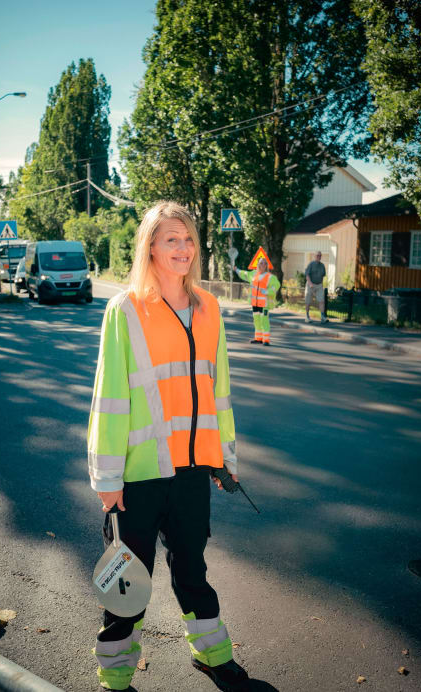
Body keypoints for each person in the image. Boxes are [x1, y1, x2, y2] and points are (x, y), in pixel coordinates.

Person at [88, 201, 249, 691]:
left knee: (193, 572)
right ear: (150, 247)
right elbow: (110, 396)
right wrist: (107, 479)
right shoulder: (126, 309)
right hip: (138, 476)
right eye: (170, 239)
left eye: (188, 239)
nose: (182, 248)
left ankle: (214, 654)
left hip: (192, 473)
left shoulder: (209, 306)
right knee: (127, 582)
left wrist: (225, 458)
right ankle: (115, 677)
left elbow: (218, 388)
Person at [234, 257, 280, 345]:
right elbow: (245, 274)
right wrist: (237, 270)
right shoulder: (253, 274)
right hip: (254, 303)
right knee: (257, 321)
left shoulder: (270, 277)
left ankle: (266, 340)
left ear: (266, 265)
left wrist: (267, 291)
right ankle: (258, 338)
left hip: (264, 304)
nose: (262, 265)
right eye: (261, 263)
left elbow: (276, 286)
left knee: (264, 321)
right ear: (257, 265)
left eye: (264, 263)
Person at [304, 251, 328, 323]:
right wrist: (310, 284)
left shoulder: (322, 266)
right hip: (310, 284)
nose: (319, 257)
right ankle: (307, 317)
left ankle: (323, 317)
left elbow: (322, 276)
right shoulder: (311, 264)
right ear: (315, 256)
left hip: (319, 285)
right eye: (317, 255)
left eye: (320, 255)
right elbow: (307, 275)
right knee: (308, 301)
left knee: (322, 301)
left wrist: (321, 285)